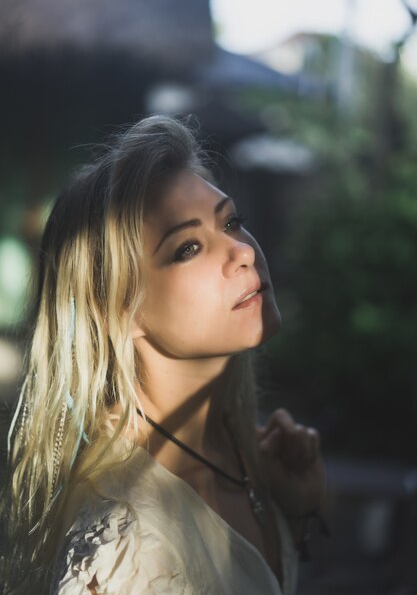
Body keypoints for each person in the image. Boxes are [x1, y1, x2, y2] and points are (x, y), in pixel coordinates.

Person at [3, 115, 327, 594]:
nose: (241, 250)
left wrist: (294, 511)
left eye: (231, 221)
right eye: (188, 247)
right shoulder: (124, 547)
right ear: (121, 310)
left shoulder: (238, 447)